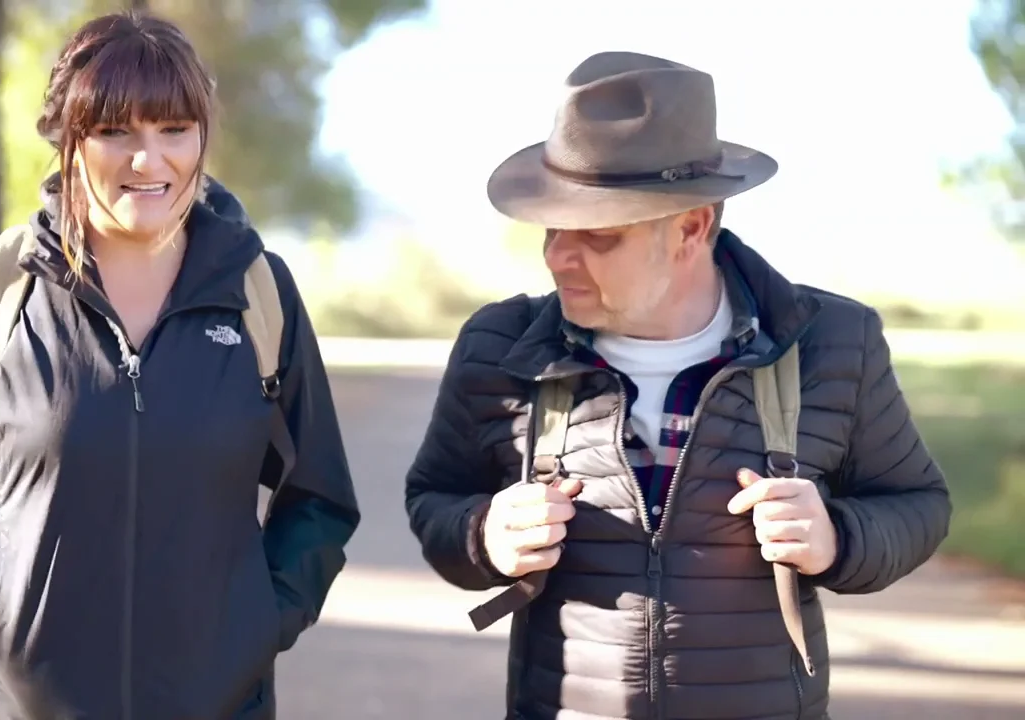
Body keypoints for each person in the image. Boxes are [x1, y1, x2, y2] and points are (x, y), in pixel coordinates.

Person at [403, 51, 951, 720]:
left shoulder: (833, 343)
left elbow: (918, 504)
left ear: (692, 227)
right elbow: (435, 499)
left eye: (597, 236)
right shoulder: (500, 348)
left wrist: (837, 537)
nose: (556, 256)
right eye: (551, 228)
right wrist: (484, 535)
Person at [0, 11, 359, 720]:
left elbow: (318, 499)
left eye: (174, 130)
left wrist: (260, 624)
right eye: (115, 132)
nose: (149, 160)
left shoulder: (258, 290)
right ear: (66, 139)